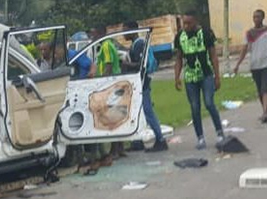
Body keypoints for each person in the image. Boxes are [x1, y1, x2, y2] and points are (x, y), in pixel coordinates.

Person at [174, 11, 224, 149]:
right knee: (195, 107)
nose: (186, 26)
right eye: (184, 23)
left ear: (195, 21)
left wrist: (217, 76)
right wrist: (177, 77)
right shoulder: (180, 36)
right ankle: (200, 138)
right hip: (190, 78)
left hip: (206, 74)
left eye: (189, 23)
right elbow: (178, 58)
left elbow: (213, 56)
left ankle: (220, 133)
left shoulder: (206, 33)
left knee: (209, 103)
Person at [123, 21, 167, 152]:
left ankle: (160, 139)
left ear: (133, 30)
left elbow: (141, 64)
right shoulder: (134, 45)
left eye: (125, 31)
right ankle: (137, 141)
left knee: (148, 111)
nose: (124, 35)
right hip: (137, 83)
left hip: (142, 83)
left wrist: (126, 64)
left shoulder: (139, 45)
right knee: (137, 112)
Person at [234, 9, 267, 123]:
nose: (256, 19)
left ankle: (265, 112)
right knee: (259, 90)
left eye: (258, 17)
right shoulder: (249, 33)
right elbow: (244, 49)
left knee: (265, 88)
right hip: (255, 65)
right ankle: (265, 111)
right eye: (254, 17)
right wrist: (238, 64)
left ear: (263, 18)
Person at [90, 25, 124, 159]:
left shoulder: (106, 45)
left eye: (94, 34)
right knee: (116, 115)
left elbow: (108, 65)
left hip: (111, 84)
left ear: (101, 33)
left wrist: (103, 84)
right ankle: (119, 148)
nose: (93, 38)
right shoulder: (108, 45)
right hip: (114, 82)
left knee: (111, 117)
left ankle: (115, 149)